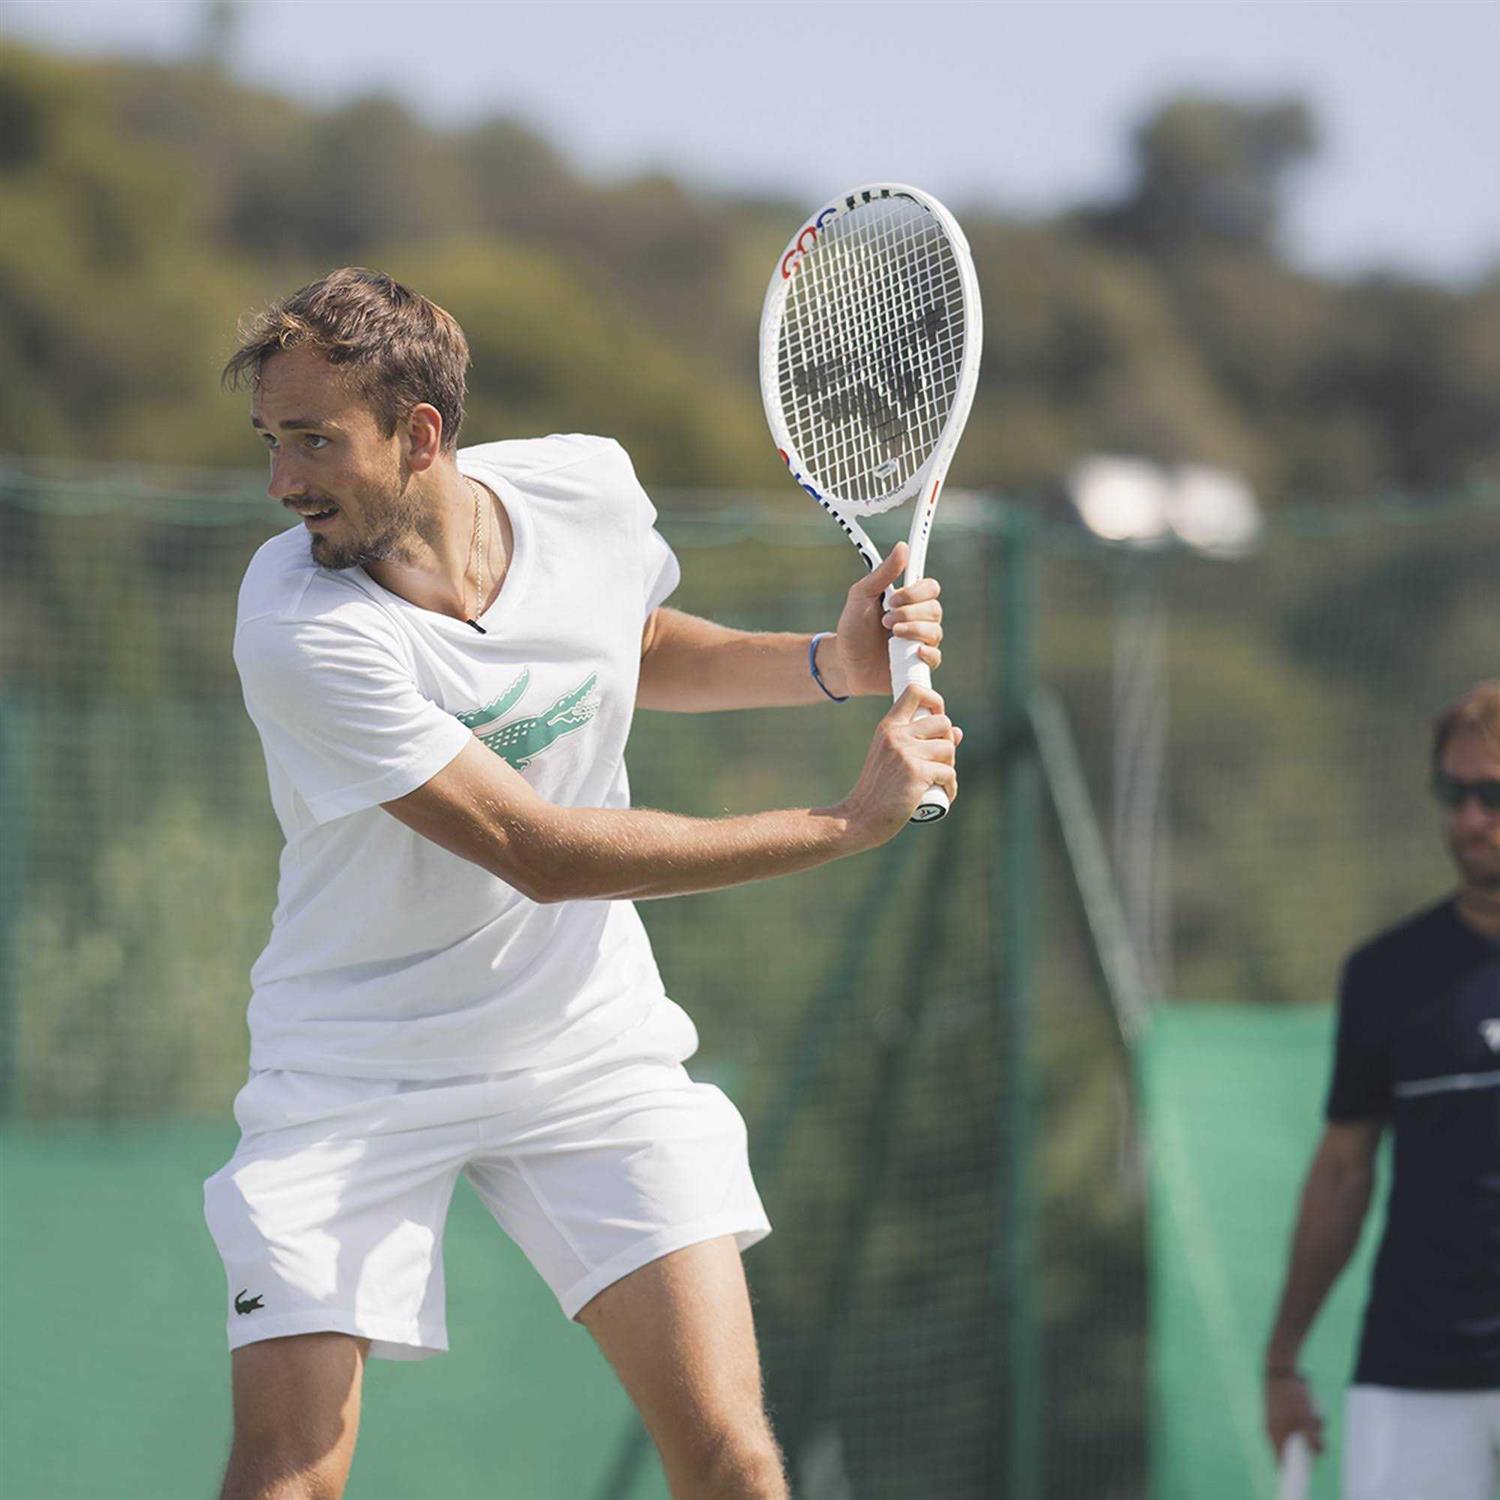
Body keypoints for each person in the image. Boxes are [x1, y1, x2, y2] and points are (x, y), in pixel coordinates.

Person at [203, 267, 960, 1500]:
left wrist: (834, 660)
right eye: (271, 442)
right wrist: (840, 823)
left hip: (586, 1049)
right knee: (294, 1471)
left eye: (314, 441)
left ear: (421, 435)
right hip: (354, 1064)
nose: (282, 482)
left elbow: (637, 643)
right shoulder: (297, 623)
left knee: (732, 1455)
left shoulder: (586, 488)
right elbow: (540, 854)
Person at [1264, 680, 1500, 1498]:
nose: (1471, 818)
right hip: (1412, 1379)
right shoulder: (1387, 976)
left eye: (1493, 795)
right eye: (1454, 794)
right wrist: (1283, 1361)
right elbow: (1342, 1172)